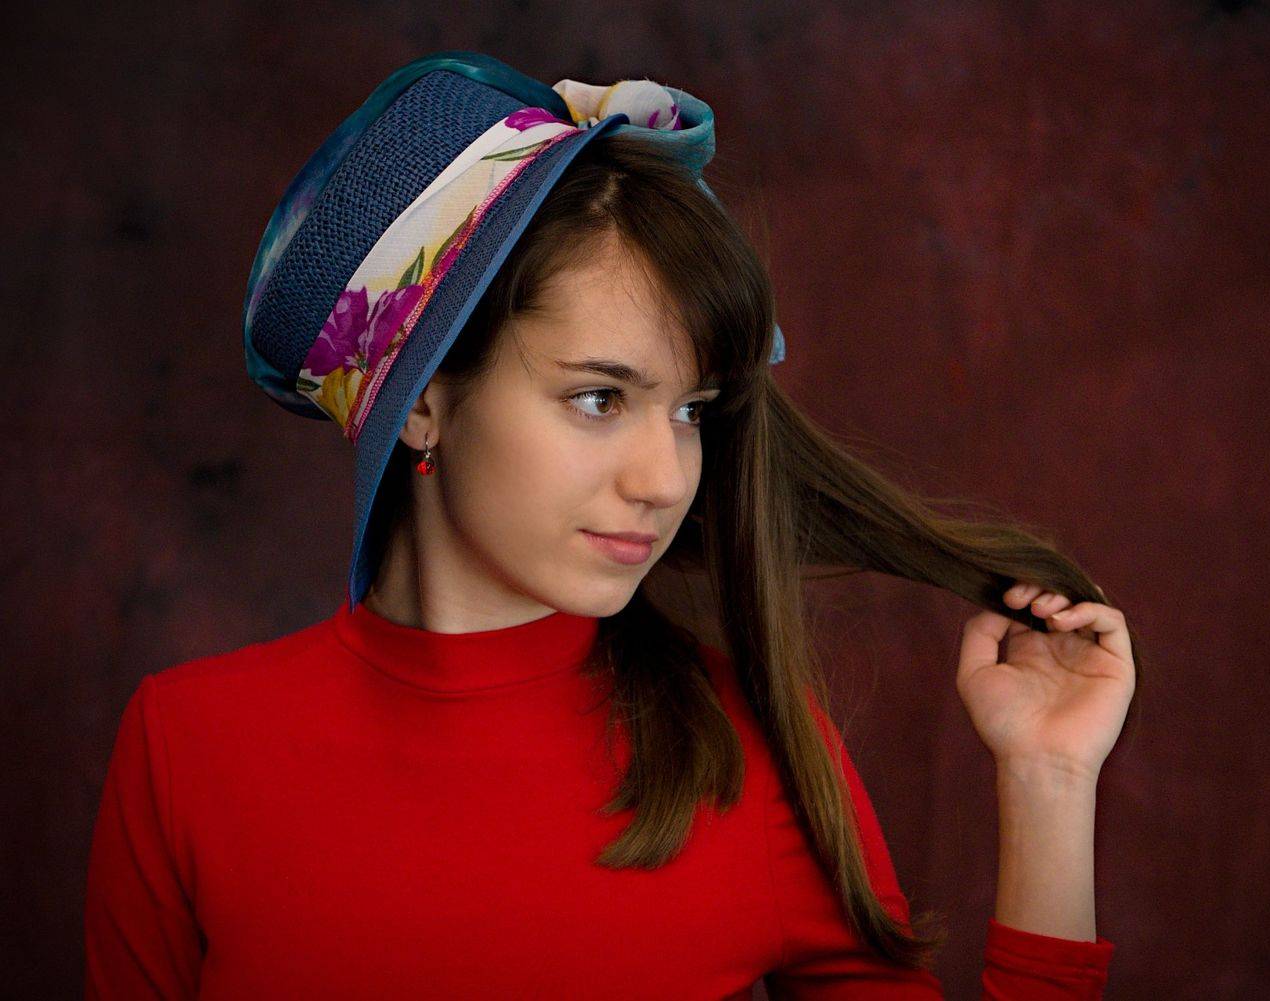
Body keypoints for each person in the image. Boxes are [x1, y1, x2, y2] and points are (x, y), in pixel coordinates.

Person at [84, 51, 1140, 998]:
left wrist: (1048, 780)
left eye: (692, 411)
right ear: (422, 401)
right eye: (599, 397)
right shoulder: (188, 747)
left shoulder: (748, 751)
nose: (665, 478)